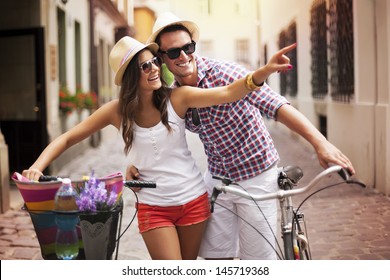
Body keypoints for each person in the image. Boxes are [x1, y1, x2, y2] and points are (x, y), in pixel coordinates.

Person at [22, 36, 295, 260]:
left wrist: (262, 72)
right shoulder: (116, 112)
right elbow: (68, 138)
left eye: (154, 62)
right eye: (145, 66)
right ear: (130, 75)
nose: (154, 68)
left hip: (193, 202)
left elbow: (228, 92)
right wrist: (37, 166)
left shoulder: (178, 97)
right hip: (153, 206)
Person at [126, 12, 355, 260]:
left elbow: (275, 105)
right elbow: (155, 134)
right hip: (218, 180)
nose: (183, 56)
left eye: (188, 47)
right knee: (215, 258)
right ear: (162, 59)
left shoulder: (225, 74)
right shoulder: (173, 95)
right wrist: (138, 166)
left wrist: (320, 143)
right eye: (173, 52)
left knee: (256, 262)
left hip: (256, 175)